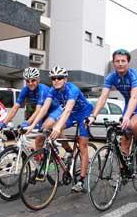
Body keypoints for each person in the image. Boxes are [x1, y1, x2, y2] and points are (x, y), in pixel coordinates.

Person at [25, 65, 93, 193]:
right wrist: (32, 125)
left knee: (82, 145)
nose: (56, 80)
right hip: (72, 113)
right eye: (53, 78)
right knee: (49, 128)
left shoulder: (73, 89)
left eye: (59, 78)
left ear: (65, 79)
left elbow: (67, 110)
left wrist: (57, 127)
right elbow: (44, 108)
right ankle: (65, 153)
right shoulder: (53, 90)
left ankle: (81, 180)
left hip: (83, 113)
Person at [88, 49, 137, 165]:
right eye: (117, 61)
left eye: (123, 61)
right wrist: (93, 116)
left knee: (132, 125)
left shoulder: (135, 75)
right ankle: (124, 170)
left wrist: (127, 116)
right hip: (129, 103)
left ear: (128, 62)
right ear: (113, 63)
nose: (120, 63)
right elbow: (103, 97)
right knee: (124, 139)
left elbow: (134, 97)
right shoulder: (110, 77)